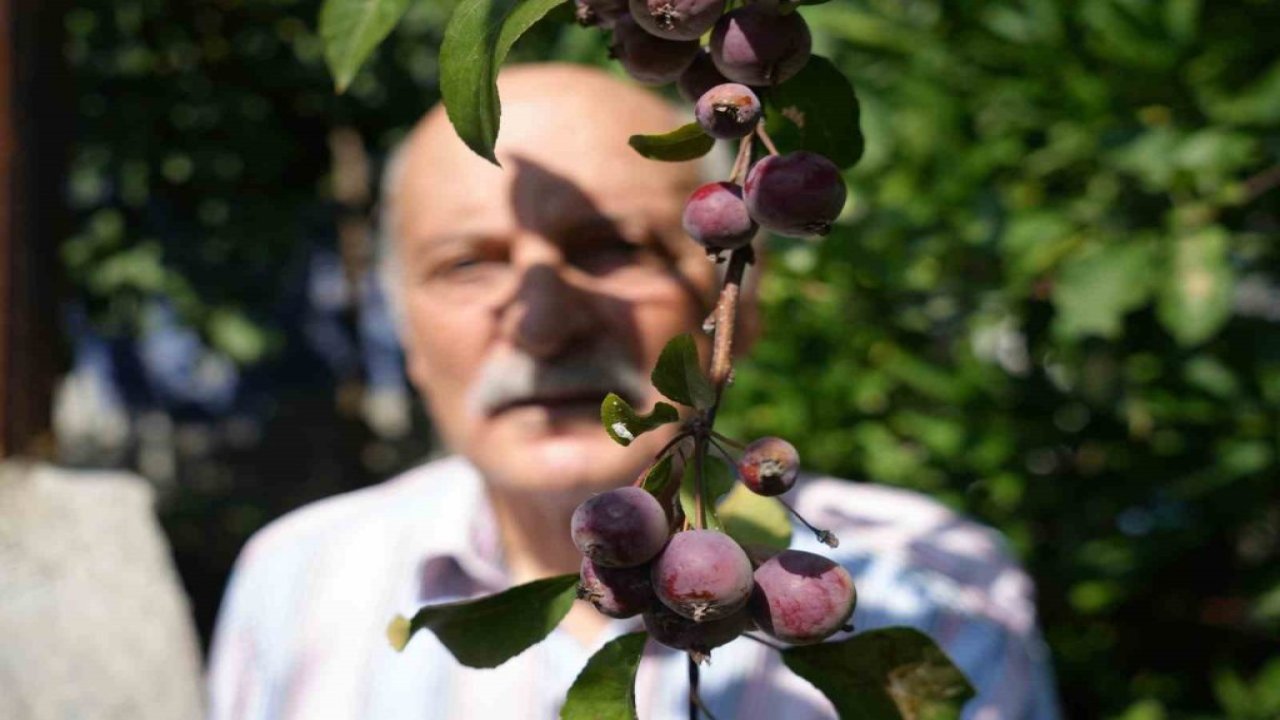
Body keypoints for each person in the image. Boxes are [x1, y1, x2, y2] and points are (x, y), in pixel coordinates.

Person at [207, 63, 1060, 720]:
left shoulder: (935, 580)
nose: (544, 324)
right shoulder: (300, 578)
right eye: (466, 265)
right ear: (408, 333)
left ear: (740, 305)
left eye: (611, 247)